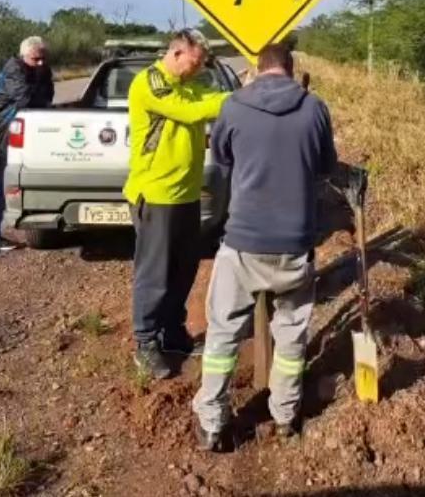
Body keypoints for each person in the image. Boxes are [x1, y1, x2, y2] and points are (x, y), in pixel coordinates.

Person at [192, 42, 337, 451]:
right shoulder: (315, 108)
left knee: (222, 335)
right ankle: (286, 417)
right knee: (291, 337)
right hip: (296, 244)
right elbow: (326, 168)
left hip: (243, 242)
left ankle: (212, 423)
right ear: (291, 69)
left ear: (257, 69)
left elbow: (221, 161)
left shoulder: (234, 107)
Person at [123, 29, 230, 379]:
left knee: (184, 268)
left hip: (185, 193)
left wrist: (236, 92)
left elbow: (210, 96)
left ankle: (172, 332)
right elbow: (190, 112)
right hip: (157, 193)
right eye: (195, 63)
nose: (199, 70)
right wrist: (237, 99)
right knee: (154, 273)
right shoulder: (150, 82)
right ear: (178, 53)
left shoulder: (189, 82)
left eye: (202, 65)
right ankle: (145, 341)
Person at [0, 36, 54, 252]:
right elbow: (26, 100)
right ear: (24, 55)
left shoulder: (38, 72)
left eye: (44, 59)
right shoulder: (15, 71)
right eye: (36, 59)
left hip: (7, 138)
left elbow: (47, 98)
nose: (41, 63)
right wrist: (40, 83)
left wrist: (42, 76)